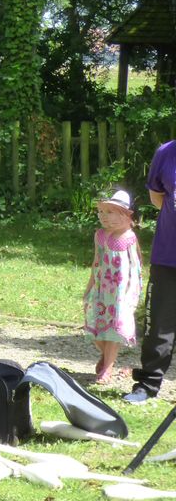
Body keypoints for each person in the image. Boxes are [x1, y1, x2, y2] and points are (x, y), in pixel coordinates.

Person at [127, 139, 176, 403]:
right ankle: (148, 384)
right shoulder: (166, 152)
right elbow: (158, 198)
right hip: (168, 254)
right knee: (158, 323)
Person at [83, 189, 141, 385]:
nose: (103, 216)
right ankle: (106, 355)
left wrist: (131, 291)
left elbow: (135, 267)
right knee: (96, 325)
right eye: (101, 212)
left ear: (125, 215)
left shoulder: (128, 237)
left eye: (109, 212)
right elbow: (96, 262)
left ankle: (107, 368)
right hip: (101, 290)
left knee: (115, 326)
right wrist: (90, 286)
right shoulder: (99, 235)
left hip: (120, 292)